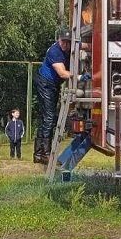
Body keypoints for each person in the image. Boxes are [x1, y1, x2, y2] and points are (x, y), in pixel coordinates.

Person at [33, 28, 85, 165]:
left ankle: (38, 154)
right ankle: (45, 154)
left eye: (68, 42)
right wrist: (80, 77)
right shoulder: (54, 51)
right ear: (59, 40)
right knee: (49, 117)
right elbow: (62, 73)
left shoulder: (68, 48)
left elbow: (84, 46)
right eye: (63, 42)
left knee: (45, 118)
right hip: (46, 83)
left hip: (52, 84)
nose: (65, 45)